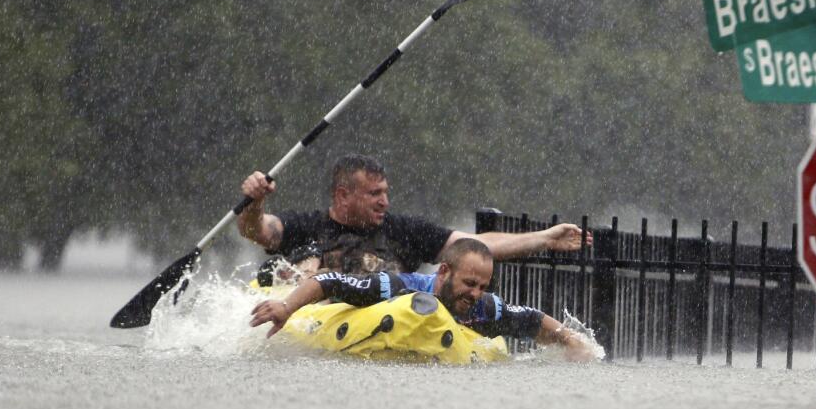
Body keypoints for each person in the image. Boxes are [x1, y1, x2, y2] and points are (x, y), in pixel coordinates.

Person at [238, 154, 589, 280]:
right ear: (343, 195)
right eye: (374, 194)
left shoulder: (405, 231)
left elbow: (473, 246)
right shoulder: (307, 226)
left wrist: (544, 238)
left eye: (386, 192)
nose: (384, 202)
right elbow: (258, 231)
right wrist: (253, 201)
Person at [249, 237, 597, 362]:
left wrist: (572, 340)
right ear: (444, 272)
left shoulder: (481, 306)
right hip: (346, 322)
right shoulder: (398, 286)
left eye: (482, 286)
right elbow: (329, 281)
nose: (475, 293)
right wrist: (286, 307)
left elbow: (532, 319)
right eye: (469, 283)